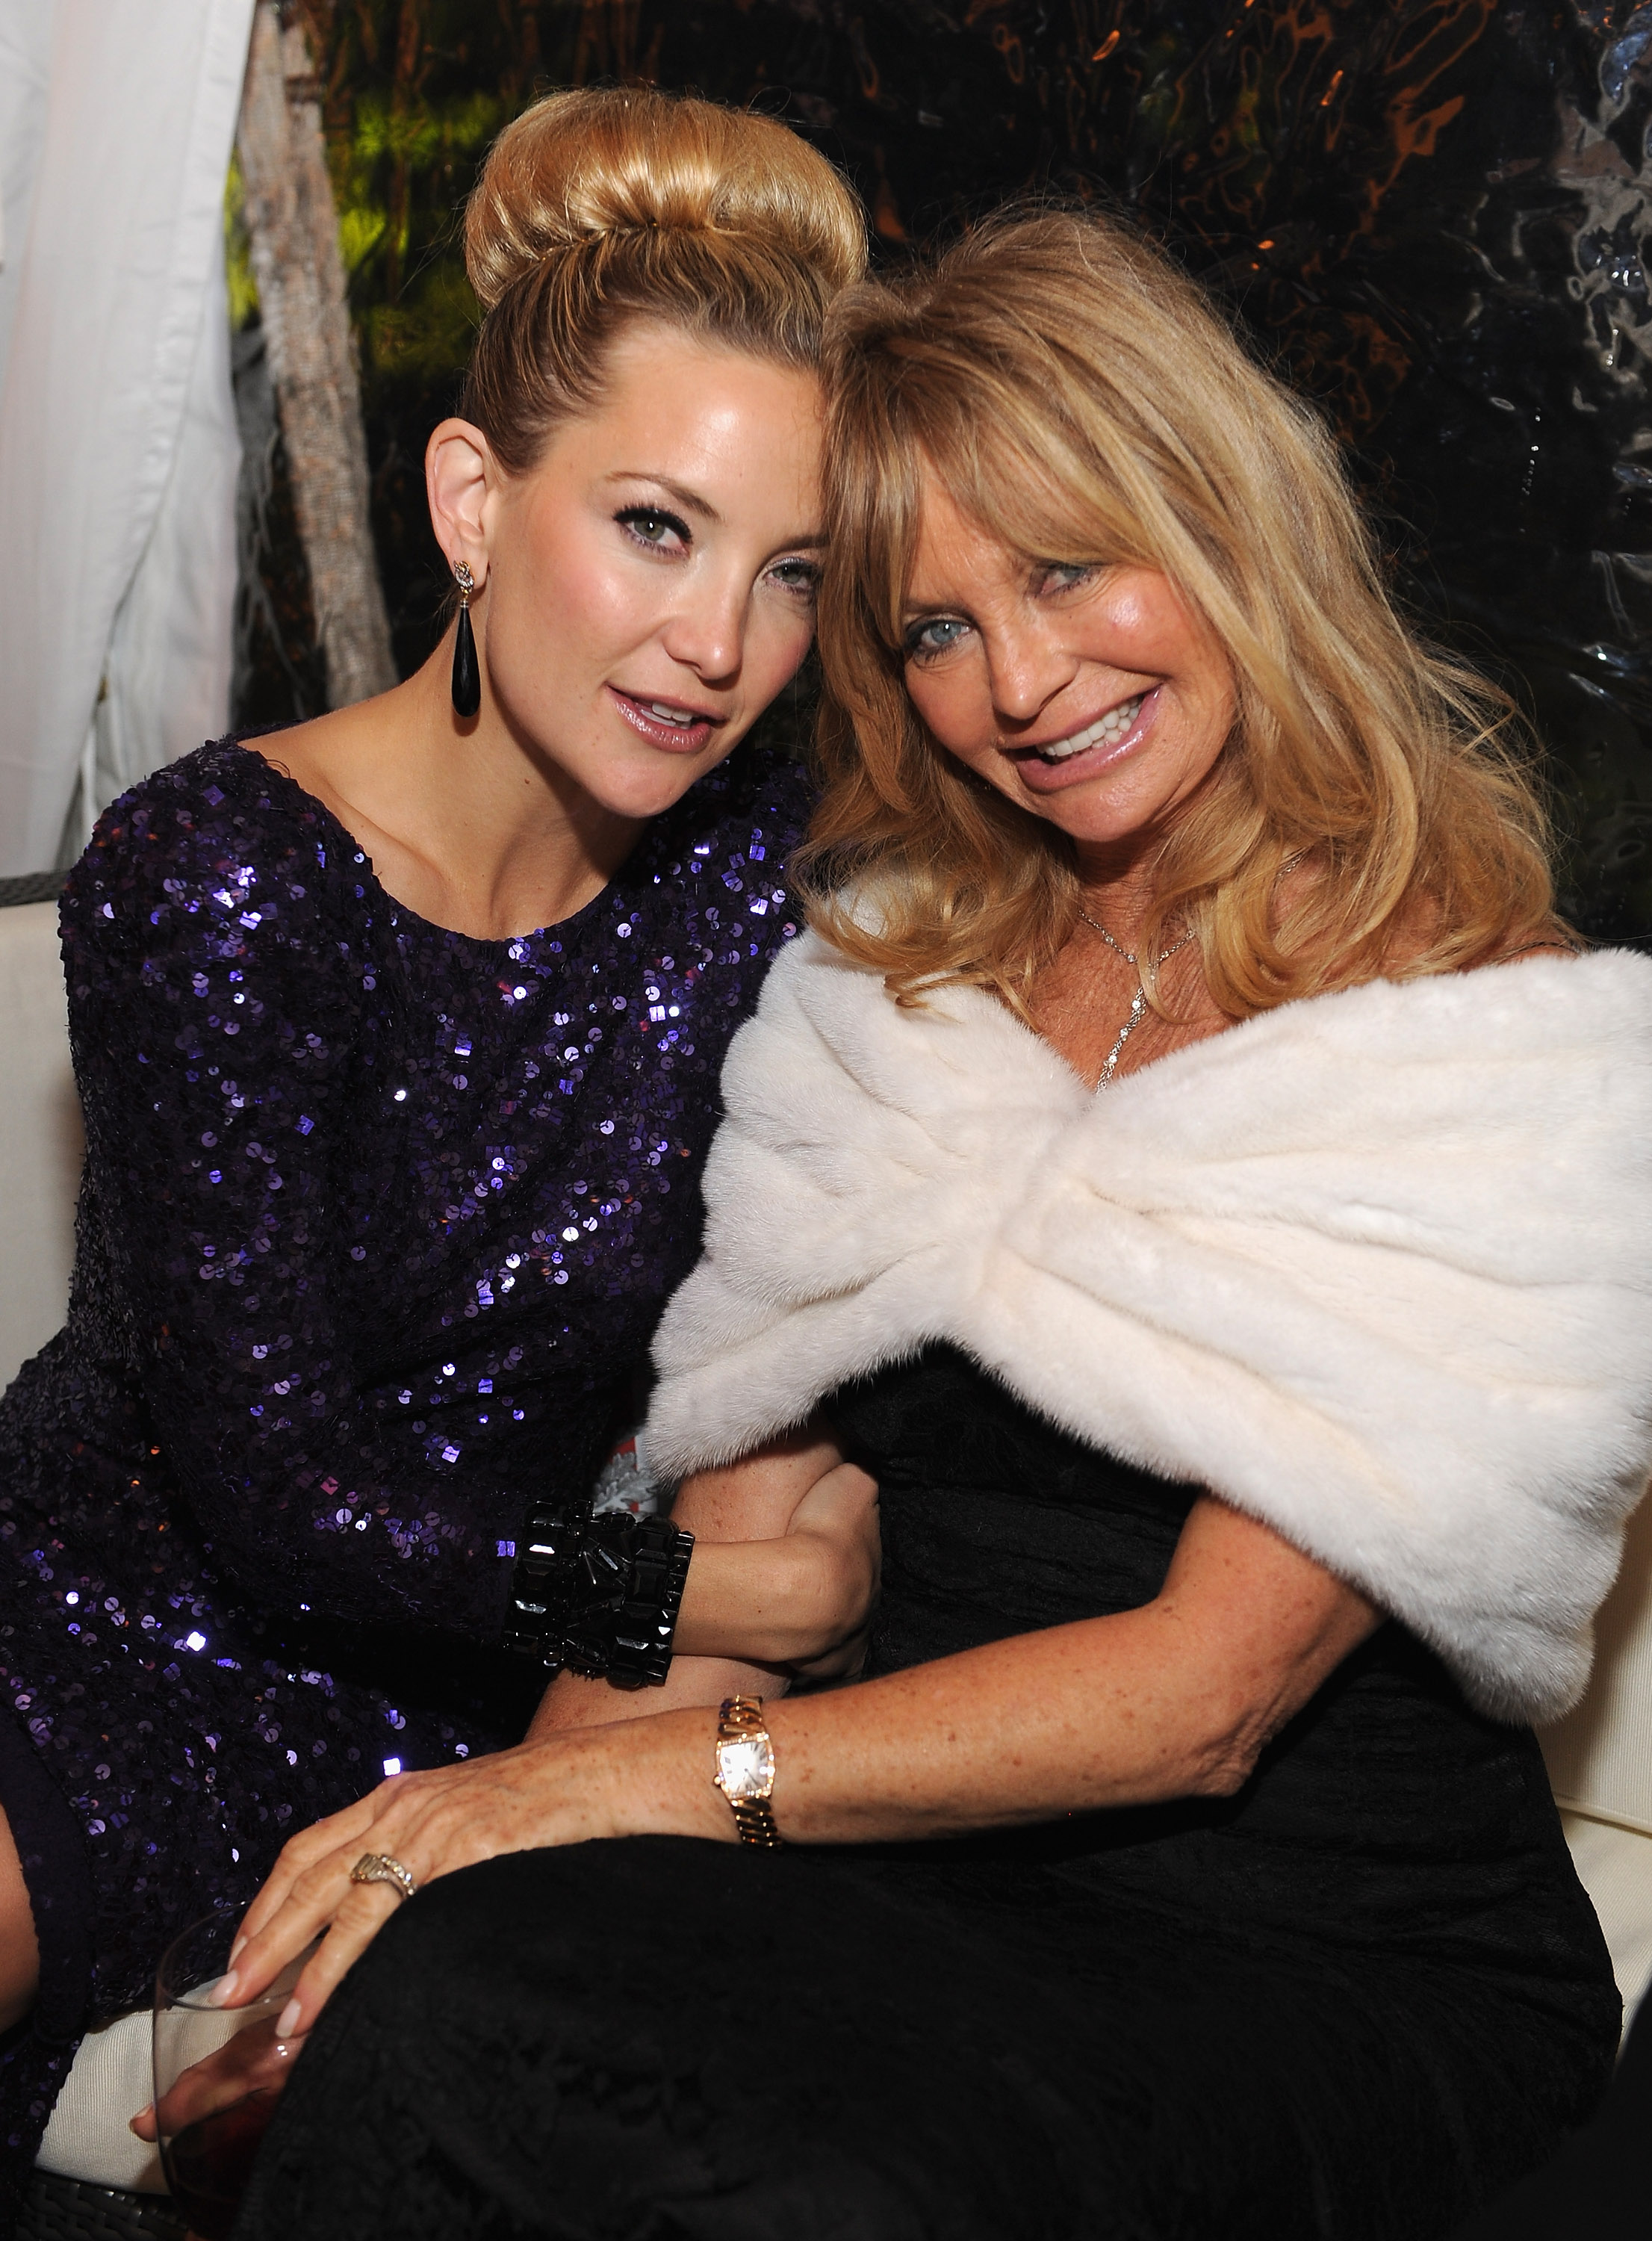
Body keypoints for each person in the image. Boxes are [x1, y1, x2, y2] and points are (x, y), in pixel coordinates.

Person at [225, 211, 1652, 2241]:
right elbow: (701, 1527)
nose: (1019, 681)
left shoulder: (1488, 1042)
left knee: (829, 2194)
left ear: (1226, 530)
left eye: (1071, 571)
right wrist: (466, 1820)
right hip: (883, 1860)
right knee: (443, 1996)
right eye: (930, 627)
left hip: (1317, 1956)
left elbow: (1201, 1705)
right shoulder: (879, 987)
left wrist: (611, 1794)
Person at [0, 86, 877, 2215]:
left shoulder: (755, 882)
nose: (716, 646)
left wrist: (630, 1671)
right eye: (653, 528)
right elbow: (279, 1496)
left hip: (471, 1704)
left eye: (791, 576)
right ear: (475, 500)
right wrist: (703, 1591)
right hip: (107, 1626)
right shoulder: (213, 874)